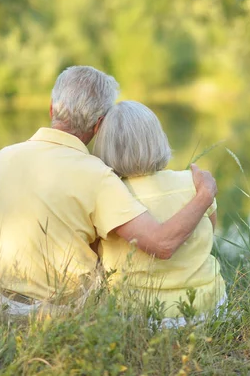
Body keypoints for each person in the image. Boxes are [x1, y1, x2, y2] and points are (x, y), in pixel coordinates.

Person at [0, 66, 217, 315]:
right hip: (58, 311)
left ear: (51, 108)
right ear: (99, 124)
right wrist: (204, 195)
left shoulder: (2, 157)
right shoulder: (98, 175)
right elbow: (161, 244)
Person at [94, 100, 226, 327]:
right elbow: (209, 233)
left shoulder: (107, 195)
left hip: (140, 315)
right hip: (210, 307)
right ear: (157, 139)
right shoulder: (194, 183)